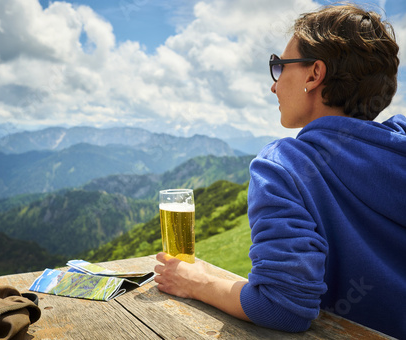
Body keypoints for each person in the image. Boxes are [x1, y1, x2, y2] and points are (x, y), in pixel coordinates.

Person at [154, 3, 406, 338]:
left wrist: (196, 282)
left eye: (279, 65)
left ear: (314, 75)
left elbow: (282, 307)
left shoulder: (284, 166)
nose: (274, 85)